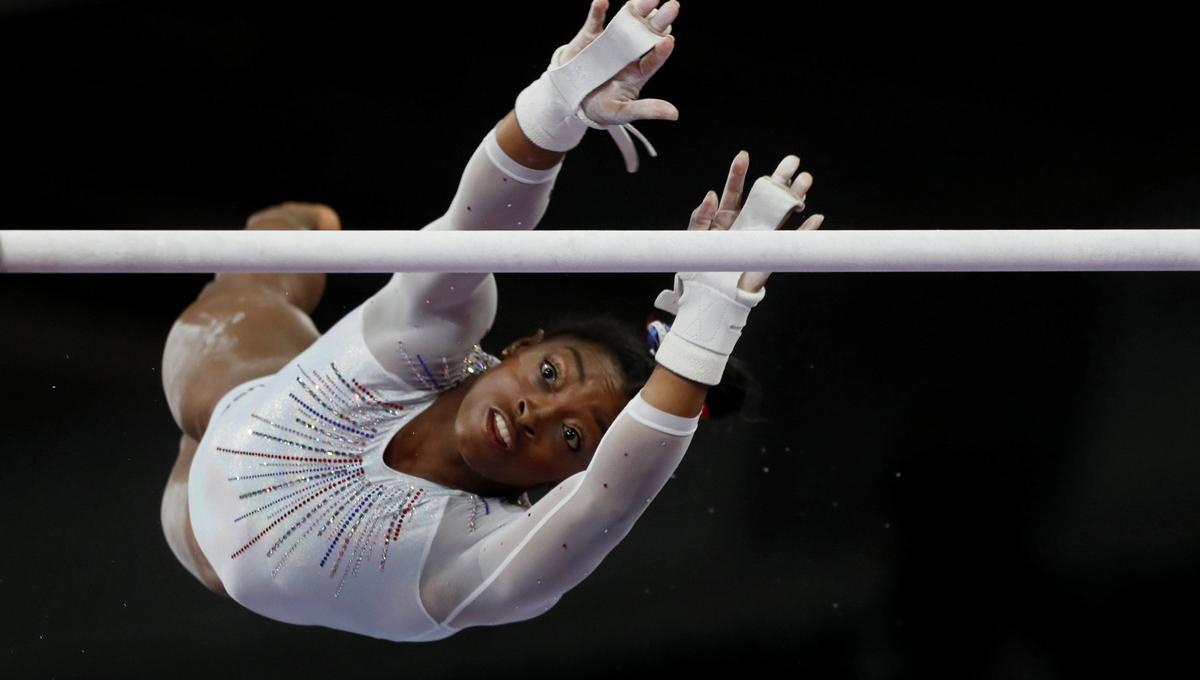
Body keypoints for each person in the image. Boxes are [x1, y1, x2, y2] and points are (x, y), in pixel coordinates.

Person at [158, 0, 823, 641]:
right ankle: (307, 226)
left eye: (570, 435)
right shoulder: (429, 340)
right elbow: (477, 224)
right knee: (265, 269)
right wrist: (556, 108)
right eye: (549, 372)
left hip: (196, 537)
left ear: (569, 477)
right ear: (519, 346)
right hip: (230, 395)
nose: (536, 411)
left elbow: (615, 495)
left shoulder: (485, 559)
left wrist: (712, 321)